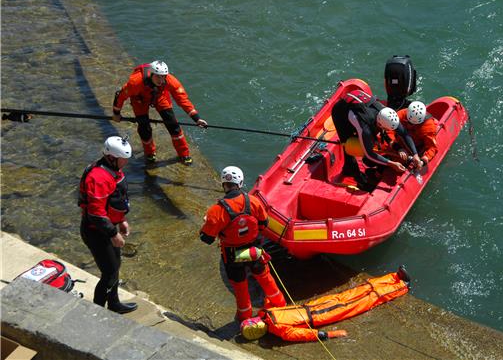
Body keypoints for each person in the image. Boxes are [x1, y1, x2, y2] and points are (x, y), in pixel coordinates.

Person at [199, 166, 286, 321]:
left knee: (240, 287)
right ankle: (280, 305)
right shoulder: (253, 201)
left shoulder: (216, 211)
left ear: (223, 184)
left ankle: (244, 316)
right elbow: (264, 223)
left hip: (232, 256)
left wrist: (206, 223)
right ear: (240, 182)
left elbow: (206, 238)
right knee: (265, 278)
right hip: (254, 250)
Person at [240, 266, 411, 341]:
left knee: (351, 293)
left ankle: (393, 277)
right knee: (362, 300)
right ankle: (402, 286)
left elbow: (269, 300)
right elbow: (306, 335)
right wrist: (331, 334)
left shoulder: (266, 313)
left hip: (314, 306)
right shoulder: (279, 329)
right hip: (320, 315)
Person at [78, 136, 137, 314]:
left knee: (115, 267)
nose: (126, 162)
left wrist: (122, 221)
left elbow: (113, 203)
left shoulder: (113, 170)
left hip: (108, 227)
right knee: (109, 272)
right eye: (123, 159)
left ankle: (114, 304)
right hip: (96, 232)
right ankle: (98, 310)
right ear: (112, 157)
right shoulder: (98, 177)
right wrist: (113, 233)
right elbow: (96, 213)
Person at [112, 60, 208, 165]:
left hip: (160, 96)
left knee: (173, 126)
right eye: (158, 76)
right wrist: (116, 113)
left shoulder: (170, 81)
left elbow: (183, 100)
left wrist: (196, 118)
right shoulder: (136, 82)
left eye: (163, 76)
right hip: (139, 100)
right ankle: (150, 153)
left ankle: (184, 154)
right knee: (144, 128)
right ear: (151, 74)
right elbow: (120, 96)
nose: (161, 80)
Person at [331, 89, 418, 190]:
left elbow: (404, 133)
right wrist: (391, 164)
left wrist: (415, 154)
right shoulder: (365, 128)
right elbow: (369, 154)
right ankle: (356, 175)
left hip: (362, 108)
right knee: (350, 146)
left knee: (372, 139)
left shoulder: (388, 115)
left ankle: (348, 167)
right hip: (341, 114)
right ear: (380, 124)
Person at [395, 101, 438, 166]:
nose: (410, 126)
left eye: (413, 124)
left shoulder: (429, 127)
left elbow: (432, 147)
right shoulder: (401, 114)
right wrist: (397, 147)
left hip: (417, 147)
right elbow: (389, 131)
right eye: (409, 122)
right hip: (399, 142)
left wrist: (423, 161)